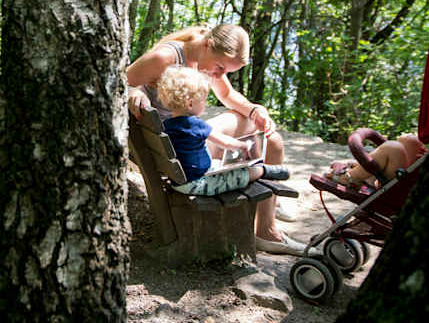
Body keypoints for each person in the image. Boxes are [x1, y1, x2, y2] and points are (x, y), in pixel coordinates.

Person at [127, 23, 307, 256]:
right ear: (208, 44)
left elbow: (226, 94)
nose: (220, 75)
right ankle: (267, 229)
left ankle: (268, 208)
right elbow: (121, 80)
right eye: (220, 67)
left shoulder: (204, 58)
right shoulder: (166, 57)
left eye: (226, 72)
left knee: (271, 139)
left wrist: (254, 110)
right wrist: (135, 92)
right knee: (271, 143)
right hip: (177, 151)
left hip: (175, 147)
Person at [155, 65, 290, 196]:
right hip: (198, 183)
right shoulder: (194, 125)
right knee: (245, 173)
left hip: (179, 182)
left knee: (218, 164)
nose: (205, 104)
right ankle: (264, 171)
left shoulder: (166, 125)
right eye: (203, 100)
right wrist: (243, 146)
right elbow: (226, 142)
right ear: (190, 103)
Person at [325, 133, 427, 189]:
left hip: (405, 189)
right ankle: (368, 173)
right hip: (411, 178)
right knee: (409, 139)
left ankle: (349, 178)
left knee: (392, 148)